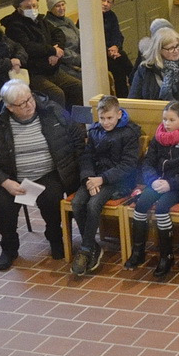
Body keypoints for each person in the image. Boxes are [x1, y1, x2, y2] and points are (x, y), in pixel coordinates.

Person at [0, 81, 83, 272]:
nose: (29, 105)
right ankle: (9, 247)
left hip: (48, 174)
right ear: (9, 107)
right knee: (2, 206)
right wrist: (5, 182)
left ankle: (55, 237)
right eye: (22, 104)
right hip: (13, 179)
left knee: (52, 197)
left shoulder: (52, 111)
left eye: (29, 99)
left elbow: (76, 137)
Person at [125, 100, 179, 279]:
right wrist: (152, 180)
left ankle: (166, 255)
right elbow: (147, 163)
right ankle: (138, 251)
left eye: (171, 120)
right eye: (164, 119)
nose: (166, 124)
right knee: (141, 204)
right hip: (157, 183)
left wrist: (171, 184)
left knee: (162, 209)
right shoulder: (158, 138)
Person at [69, 95, 140, 277]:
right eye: (102, 118)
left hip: (118, 181)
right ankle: (94, 247)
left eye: (109, 118)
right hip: (95, 178)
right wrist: (88, 179)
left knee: (93, 204)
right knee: (77, 203)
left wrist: (102, 179)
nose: (106, 122)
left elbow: (128, 165)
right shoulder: (94, 131)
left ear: (118, 114)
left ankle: (85, 250)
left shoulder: (130, 133)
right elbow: (86, 157)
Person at [2, 0, 83, 107]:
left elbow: (58, 33)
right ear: (19, 8)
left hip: (53, 69)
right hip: (34, 73)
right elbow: (28, 47)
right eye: (28, 7)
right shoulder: (13, 26)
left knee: (77, 86)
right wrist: (52, 50)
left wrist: (56, 52)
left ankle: (77, 118)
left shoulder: (40, 20)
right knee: (57, 94)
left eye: (34, 6)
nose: (32, 9)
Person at [129, 26, 179, 102]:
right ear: (159, 50)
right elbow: (133, 100)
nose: (176, 51)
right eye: (170, 48)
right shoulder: (146, 69)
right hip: (153, 110)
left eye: (177, 46)